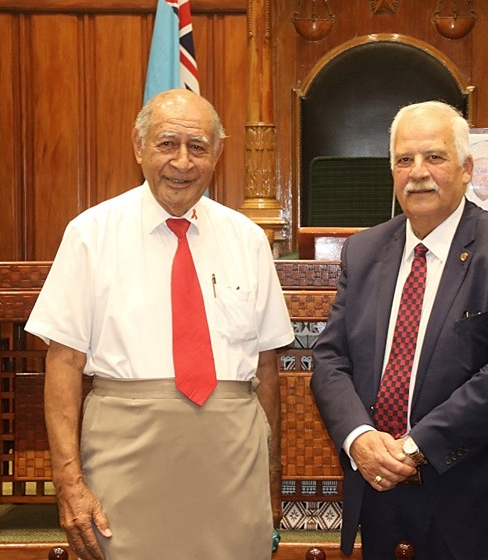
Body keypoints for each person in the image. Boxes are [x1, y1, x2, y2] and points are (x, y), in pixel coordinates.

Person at [25, 89, 294, 560]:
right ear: (138, 146)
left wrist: (270, 479)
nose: (182, 162)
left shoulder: (248, 240)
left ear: (219, 153)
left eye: (198, 147)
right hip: (126, 456)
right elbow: (64, 364)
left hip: (232, 460)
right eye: (167, 144)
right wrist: (69, 483)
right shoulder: (90, 234)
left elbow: (267, 368)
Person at [310, 101, 488, 560]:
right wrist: (359, 439)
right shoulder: (363, 251)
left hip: (480, 496)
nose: (418, 173)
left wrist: (413, 447)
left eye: (434, 157)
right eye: (404, 160)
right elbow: (331, 360)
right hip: (380, 487)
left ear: (467, 168)